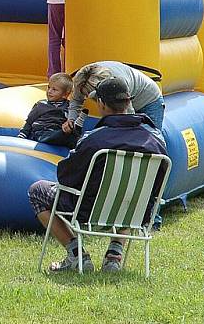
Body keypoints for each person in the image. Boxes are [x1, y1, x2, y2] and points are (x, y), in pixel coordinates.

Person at [28, 78, 168, 273]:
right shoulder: (155, 141)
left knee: (38, 191)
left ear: (101, 104)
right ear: (128, 103)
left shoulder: (94, 140)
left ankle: (77, 254)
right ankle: (114, 255)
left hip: (89, 210)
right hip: (137, 211)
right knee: (131, 194)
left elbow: (67, 177)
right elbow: (158, 184)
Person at [65, 61, 165, 134]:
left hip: (150, 100)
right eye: (86, 94)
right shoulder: (81, 80)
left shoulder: (119, 83)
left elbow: (128, 116)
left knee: (153, 136)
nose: (88, 97)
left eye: (95, 96)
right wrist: (71, 120)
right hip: (131, 95)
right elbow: (76, 100)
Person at [17, 73, 77, 148]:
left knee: (72, 139)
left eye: (54, 89)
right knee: (55, 136)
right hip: (42, 132)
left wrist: (69, 129)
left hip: (58, 131)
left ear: (65, 95)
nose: (49, 91)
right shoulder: (41, 104)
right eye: (49, 87)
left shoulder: (69, 106)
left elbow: (72, 121)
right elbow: (29, 122)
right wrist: (22, 135)